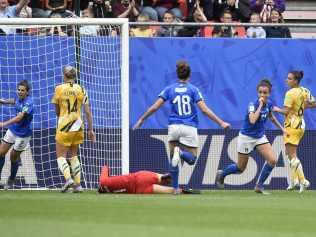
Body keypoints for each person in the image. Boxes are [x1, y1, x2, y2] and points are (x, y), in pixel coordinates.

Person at [133, 60, 231, 194]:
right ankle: (180, 156)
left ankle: (175, 188)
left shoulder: (169, 89)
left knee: (173, 159)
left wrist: (141, 119)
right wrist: (221, 122)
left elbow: (155, 106)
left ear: (177, 75)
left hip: (174, 127)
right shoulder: (193, 90)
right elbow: (204, 110)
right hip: (189, 127)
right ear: (189, 76)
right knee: (192, 158)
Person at [215, 79, 285, 194]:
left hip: (259, 137)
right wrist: (260, 106)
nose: (262, 94)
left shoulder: (269, 103)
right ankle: (222, 174)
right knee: (240, 168)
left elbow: (271, 117)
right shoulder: (253, 104)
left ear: (269, 93)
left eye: (265, 92)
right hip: (246, 137)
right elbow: (252, 120)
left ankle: (259, 186)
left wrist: (282, 129)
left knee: (272, 160)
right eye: (260, 92)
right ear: (257, 93)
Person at [52, 65, 96, 193]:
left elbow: (56, 110)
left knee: (60, 156)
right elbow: (88, 112)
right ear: (75, 76)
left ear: (64, 75)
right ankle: (78, 185)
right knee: (74, 155)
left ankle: (68, 179)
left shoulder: (59, 89)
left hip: (65, 124)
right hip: (78, 124)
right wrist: (91, 130)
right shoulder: (81, 89)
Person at [273, 71, 316, 193]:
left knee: (292, 155)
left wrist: (275, 109)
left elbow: (286, 111)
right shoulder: (304, 90)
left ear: (296, 81)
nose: (287, 80)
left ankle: (303, 181)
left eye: (289, 78)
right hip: (301, 124)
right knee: (288, 154)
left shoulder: (290, 93)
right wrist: (302, 107)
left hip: (292, 125)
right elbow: (314, 103)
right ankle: (293, 181)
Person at [0, 80, 34, 189]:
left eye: (22, 90)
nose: (20, 92)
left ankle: (11, 180)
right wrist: (4, 101)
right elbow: (14, 101)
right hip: (13, 130)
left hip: (23, 135)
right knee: (1, 153)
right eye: (18, 90)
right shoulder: (18, 99)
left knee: (13, 157)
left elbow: (19, 117)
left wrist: (4, 123)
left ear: (27, 92)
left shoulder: (29, 103)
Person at [98, 166, 200, 194]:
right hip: (140, 177)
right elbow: (105, 167)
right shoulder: (104, 182)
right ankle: (164, 177)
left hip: (139, 190)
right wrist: (108, 172)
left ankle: (184, 190)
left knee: (170, 191)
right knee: (160, 177)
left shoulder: (108, 188)